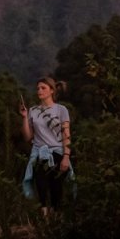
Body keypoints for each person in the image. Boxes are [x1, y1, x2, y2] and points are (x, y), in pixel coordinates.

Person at [20, 75, 73, 214]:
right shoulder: (33, 110)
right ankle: (44, 220)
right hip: (39, 153)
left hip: (57, 153)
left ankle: (56, 222)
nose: (39, 91)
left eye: (43, 88)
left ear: (51, 91)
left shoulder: (61, 110)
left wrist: (66, 156)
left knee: (56, 189)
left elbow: (66, 135)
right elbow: (28, 137)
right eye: (38, 88)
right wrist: (25, 117)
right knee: (41, 188)